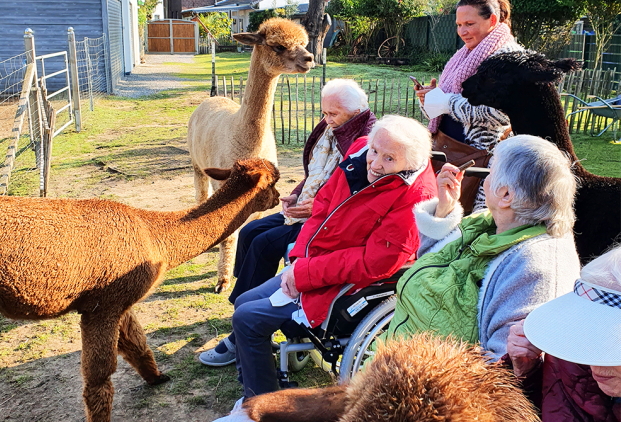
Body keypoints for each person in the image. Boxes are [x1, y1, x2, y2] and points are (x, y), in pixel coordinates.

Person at [225, 115, 438, 405]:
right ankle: (257, 381)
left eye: (389, 159)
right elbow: (323, 205)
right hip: (314, 263)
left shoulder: (416, 196)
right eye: (375, 151)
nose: (375, 163)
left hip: (346, 284)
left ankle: (262, 403)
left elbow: (374, 263)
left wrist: (303, 274)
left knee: (247, 319)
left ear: (410, 164)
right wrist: (298, 259)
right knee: (243, 303)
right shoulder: (361, 148)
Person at [199, 79, 376, 367]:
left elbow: (357, 198)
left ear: (355, 111)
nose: (326, 120)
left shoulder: (367, 142)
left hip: (329, 224)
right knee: (251, 231)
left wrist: (316, 209)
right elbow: (315, 175)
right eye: (324, 113)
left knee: (263, 243)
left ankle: (244, 331)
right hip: (309, 212)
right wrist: (296, 195)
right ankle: (244, 321)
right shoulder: (333, 130)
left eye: (333, 114)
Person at [384, 134, 580, 360]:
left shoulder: (535, 268)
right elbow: (429, 261)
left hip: (428, 385)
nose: (485, 177)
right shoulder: (489, 223)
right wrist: (445, 209)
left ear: (506, 195)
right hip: (395, 358)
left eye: (491, 170)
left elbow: (504, 369)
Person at [416, 0, 522, 212]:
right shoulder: (464, 54)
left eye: (469, 24)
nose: (462, 31)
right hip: (448, 149)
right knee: (441, 213)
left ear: (492, 20)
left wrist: (446, 102)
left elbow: (501, 114)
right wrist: (429, 100)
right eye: (458, 24)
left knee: (465, 220)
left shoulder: (508, 58)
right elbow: (446, 108)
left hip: (478, 158)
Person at [506, 246, 621, 421]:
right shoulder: (568, 361)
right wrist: (527, 374)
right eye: (587, 331)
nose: (593, 363)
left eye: (610, 340)